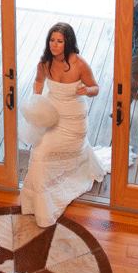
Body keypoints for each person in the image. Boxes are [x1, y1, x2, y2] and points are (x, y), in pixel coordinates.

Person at [20, 23, 108, 227]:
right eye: (52, 40)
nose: (54, 44)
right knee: (39, 152)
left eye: (59, 41)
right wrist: (36, 100)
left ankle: (55, 196)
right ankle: (38, 204)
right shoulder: (44, 63)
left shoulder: (80, 64)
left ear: (67, 42)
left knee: (54, 153)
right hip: (51, 115)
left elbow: (95, 87)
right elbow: (38, 81)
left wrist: (87, 91)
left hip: (74, 120)